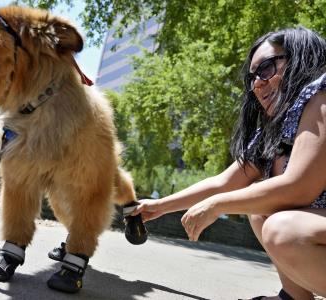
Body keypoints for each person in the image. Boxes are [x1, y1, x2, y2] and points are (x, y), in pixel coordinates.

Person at [132, 26, 326, 300]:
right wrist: (158, 207)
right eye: (253, 77)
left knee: (282, 229)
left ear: (299, 58)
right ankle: (293, 297)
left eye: (267, 68)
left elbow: (300, 187)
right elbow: (224, 183)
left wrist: (218, 205)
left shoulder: (322, 95)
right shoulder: (276, 129)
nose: (257, 83)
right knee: (260, 206)